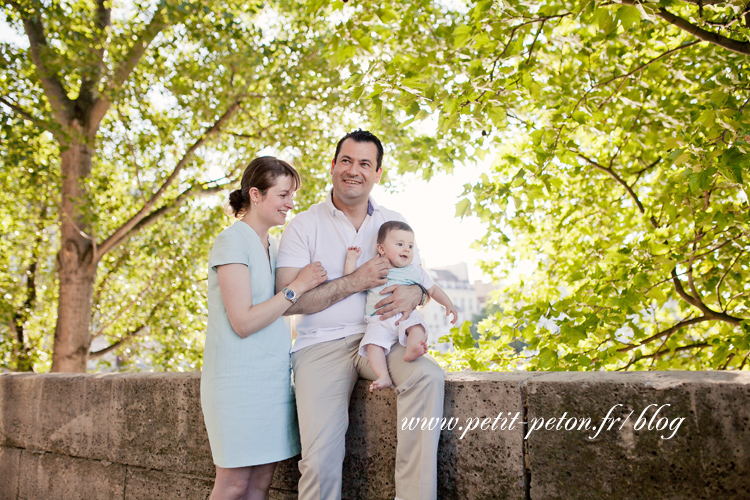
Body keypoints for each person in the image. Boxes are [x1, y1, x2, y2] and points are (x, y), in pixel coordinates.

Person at [276, 130, 445, 500]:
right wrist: (355, 281)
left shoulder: (394, 221)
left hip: (382, 338)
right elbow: (287, 300)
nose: (355, 170)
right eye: (347, 161)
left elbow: (420, 282)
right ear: (333, 166)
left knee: (428, 376)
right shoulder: (303, 225)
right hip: (320, 346)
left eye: (365, 163)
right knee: (319, 462)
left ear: (378, 173)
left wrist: (415, 292)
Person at [201, 156, 327, 500]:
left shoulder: (275, 246)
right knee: (233, 485)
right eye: (283, 195)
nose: (290, 204)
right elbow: (243, 322)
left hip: (273, 382)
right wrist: (298, 286)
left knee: (259, 486)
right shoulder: (231, 241)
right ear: (255, 195)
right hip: (235, 382)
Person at [345, 221, 457, 392]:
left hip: (405, 316)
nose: (406, 249)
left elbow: (433, 289)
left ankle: (412, 348)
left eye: (410, 246)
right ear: (381, 249)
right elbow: (352, 280)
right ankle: (383, 376)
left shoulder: (415, 271)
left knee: (417, 326)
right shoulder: (375, 268)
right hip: (379, 319)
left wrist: (448, 304)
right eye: (400, 244)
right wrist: (351, 259)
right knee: (373, 345)